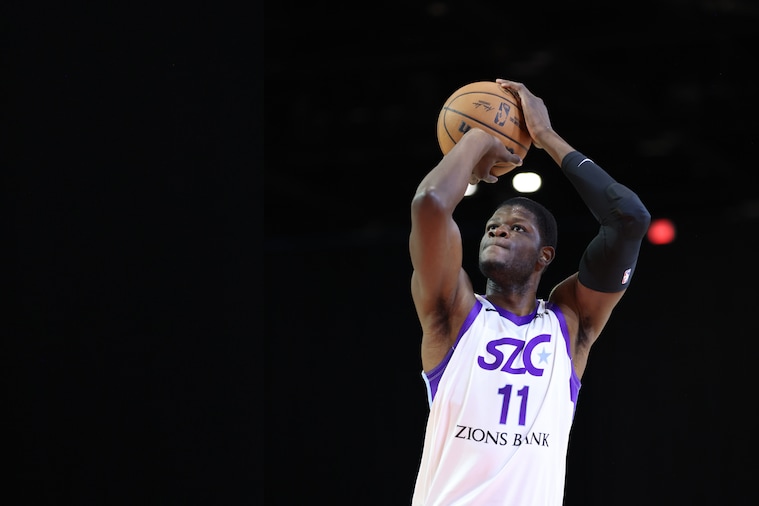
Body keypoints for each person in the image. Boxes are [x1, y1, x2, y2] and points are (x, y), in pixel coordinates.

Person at [409, 79, 651, 506]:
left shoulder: (570, 324)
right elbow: (430, 203)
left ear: (545, 256)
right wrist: (478, 139)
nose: (499, 230)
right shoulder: (453, 312)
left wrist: (545, 136)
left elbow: (629, 217)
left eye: (517, 228)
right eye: (492, 227)